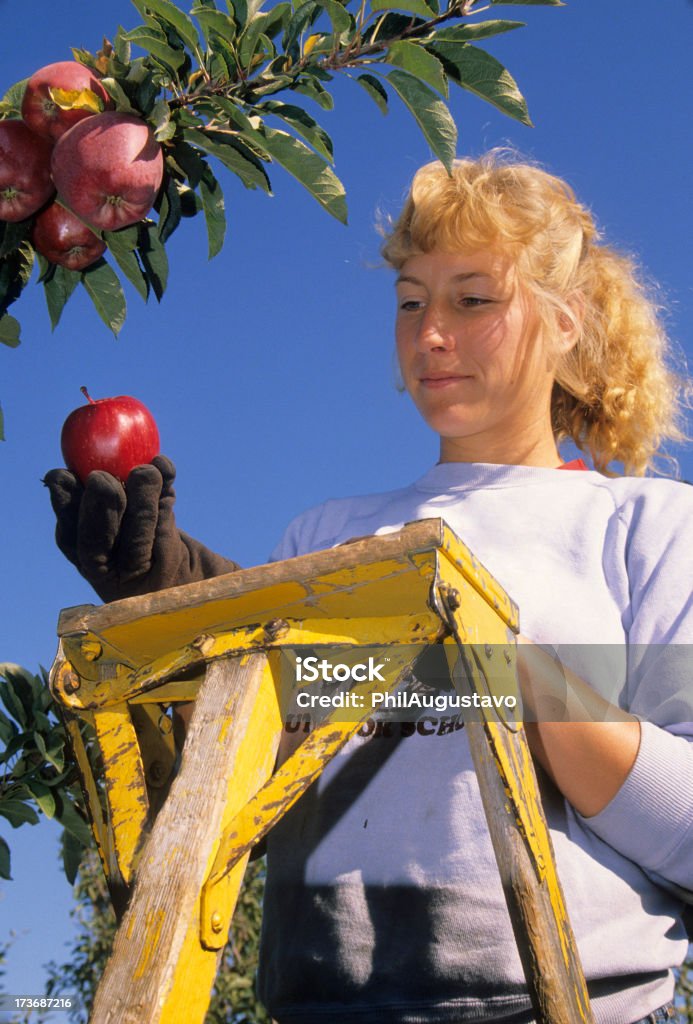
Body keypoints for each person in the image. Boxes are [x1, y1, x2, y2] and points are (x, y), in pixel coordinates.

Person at [45, 152, 693, 1024]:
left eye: (472, 298)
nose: (431, 333)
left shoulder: (644, 528)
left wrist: (518, 679)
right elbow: (260, 762)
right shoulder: (327, 536)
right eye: (410, 302)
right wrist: (174, 597)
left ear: (566, 321)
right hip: (326, 1002)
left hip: (569, 1002)